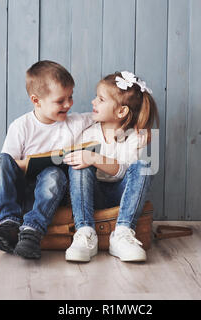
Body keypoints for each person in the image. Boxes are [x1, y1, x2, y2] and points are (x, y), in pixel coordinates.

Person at [0, 60, 94, 259]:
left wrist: (138, 126)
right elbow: (8, 165)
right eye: (61, 101)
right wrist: (31, 163)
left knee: (53, 173)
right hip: (21, 192)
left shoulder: (76, 121)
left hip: (50, 194)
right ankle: (9, 224)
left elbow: (106, 117)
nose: (68, 104)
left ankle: (32, 231)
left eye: (71, 97)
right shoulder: (21, 126)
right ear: (36, 100)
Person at [63, 71, 159, 262]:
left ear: (121, 111)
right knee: (79, 165)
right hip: (92, 193)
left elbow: (125, 170)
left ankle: (122, 233)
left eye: (100, 99)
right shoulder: (88, 132)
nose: (93, 102)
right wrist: (86, 159)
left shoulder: (134, 137)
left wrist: (94, 157)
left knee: (143, 165)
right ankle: (85, 233)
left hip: (123, 195)